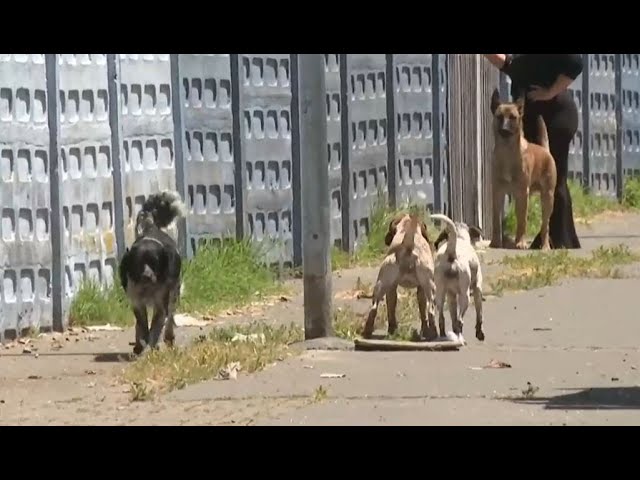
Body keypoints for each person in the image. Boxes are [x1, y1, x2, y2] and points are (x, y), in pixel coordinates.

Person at [482, 54, 584, 249]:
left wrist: (550, 92)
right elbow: (504, 62)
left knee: (556, 177)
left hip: (558, 115)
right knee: (552, 179)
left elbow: (576, 64)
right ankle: (557, 238)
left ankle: (559, 239)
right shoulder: (519, 61)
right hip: (534, 117)